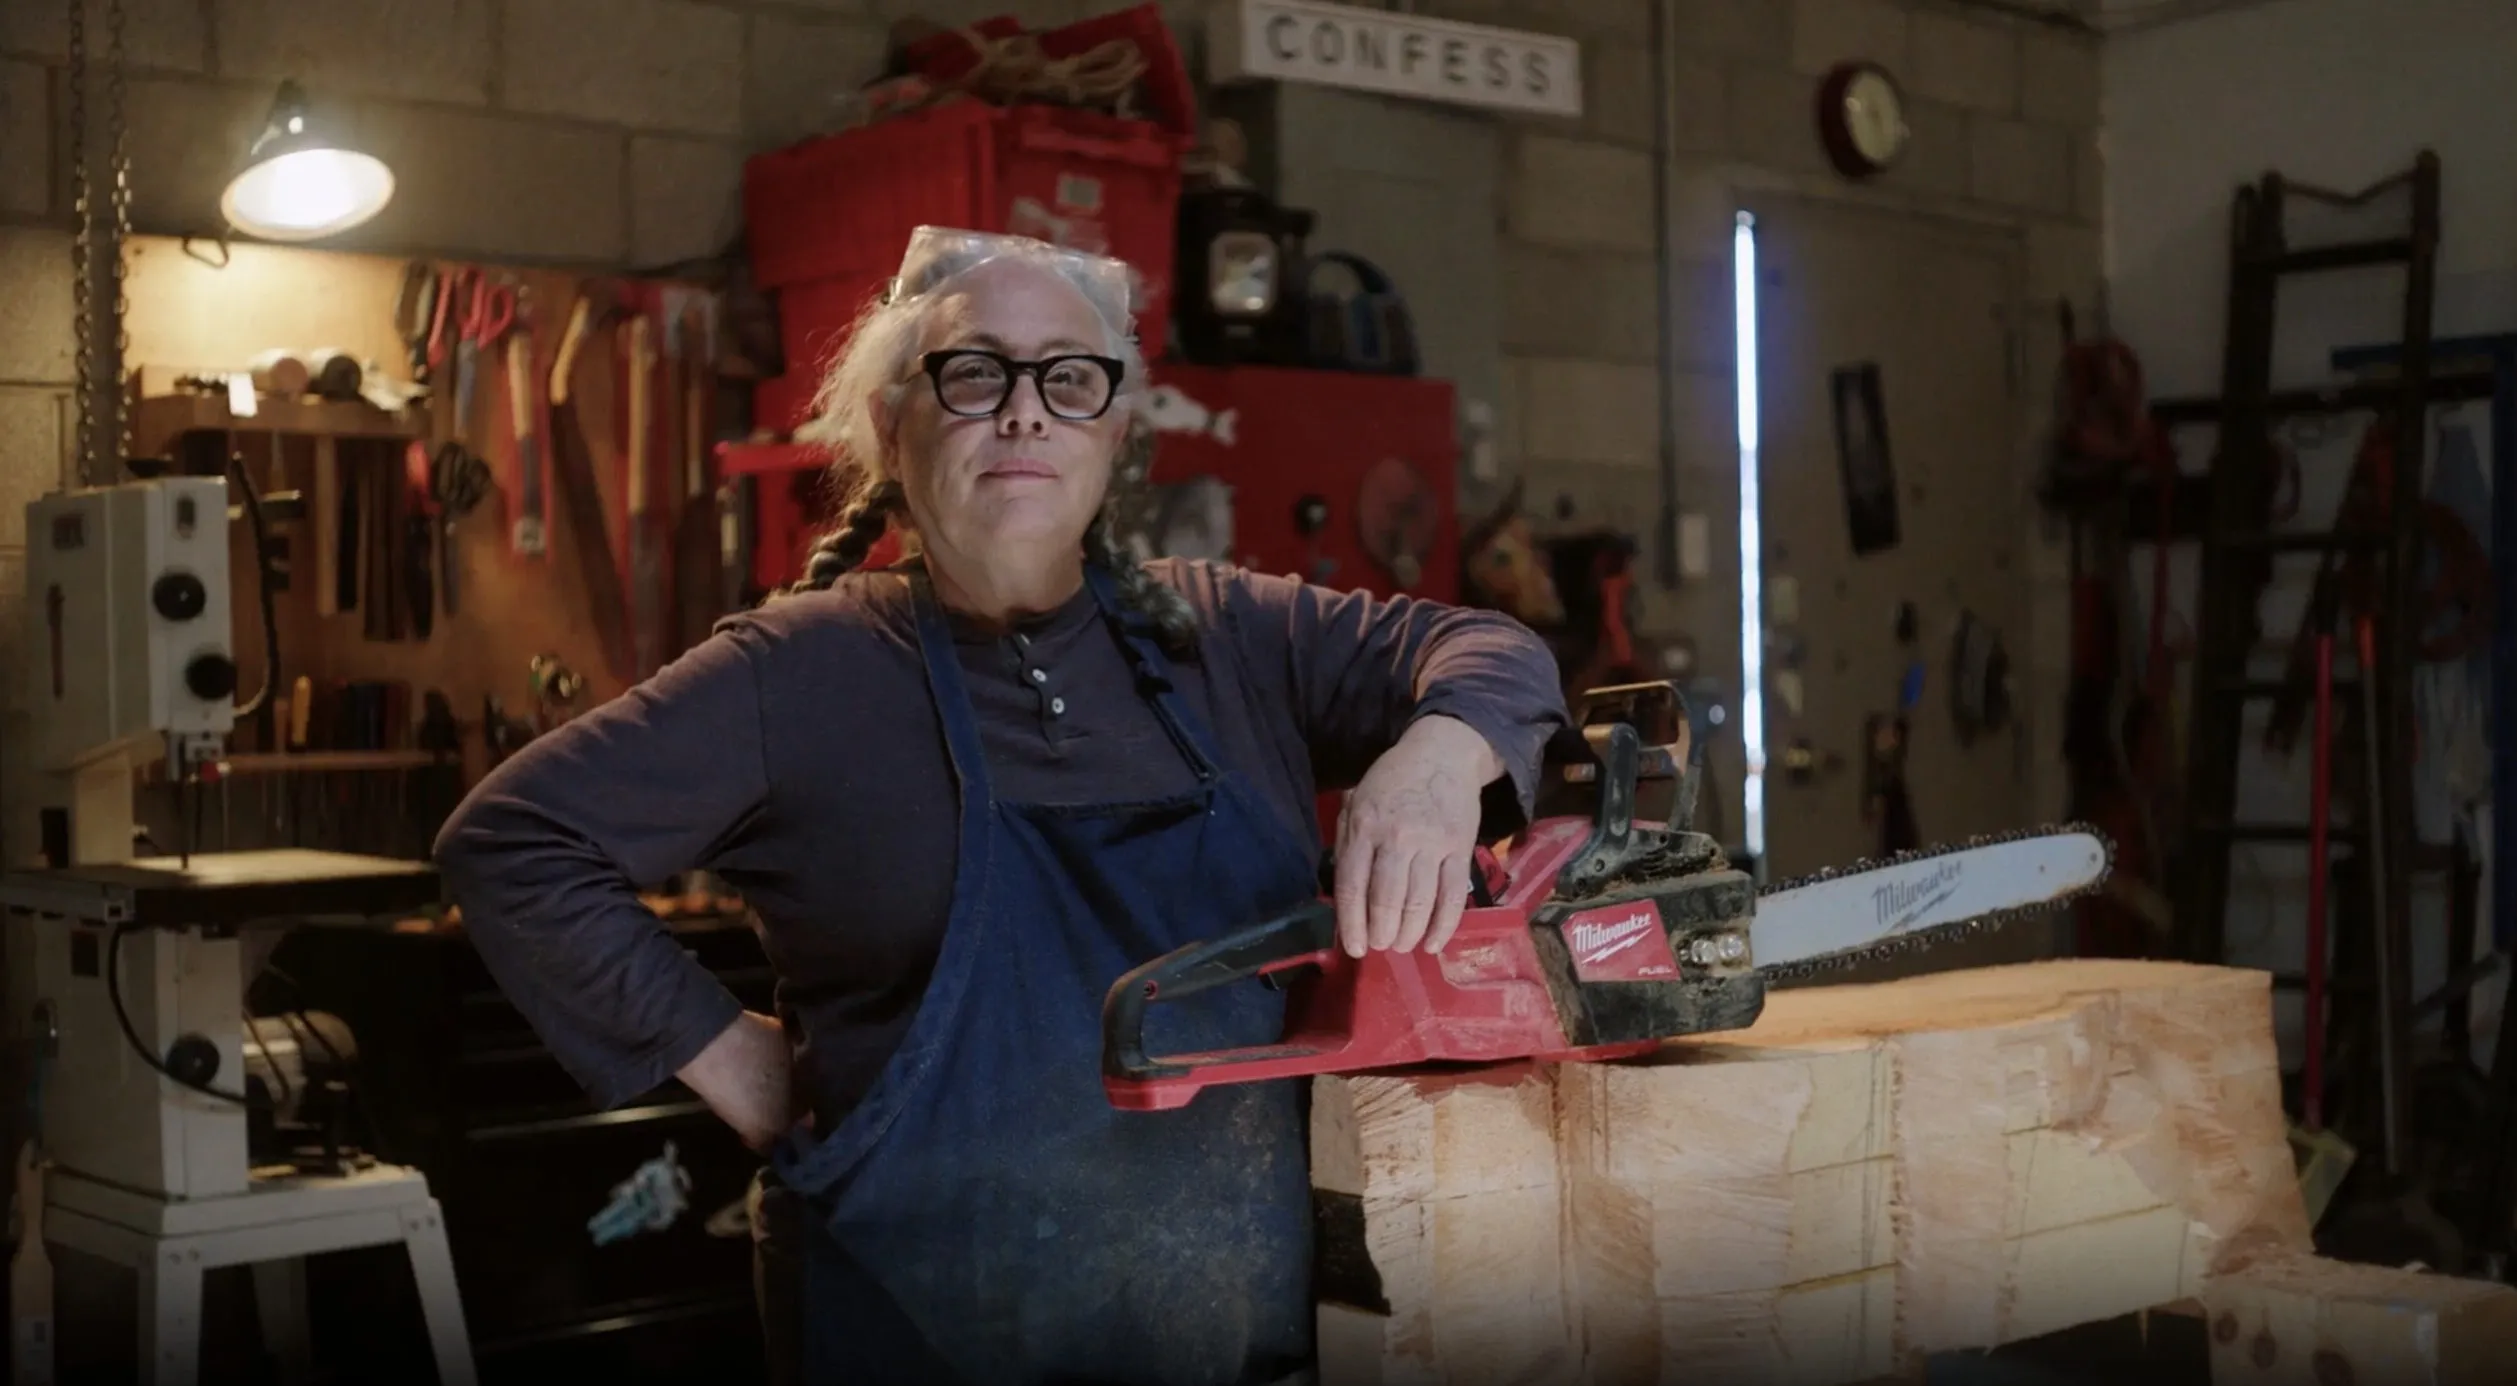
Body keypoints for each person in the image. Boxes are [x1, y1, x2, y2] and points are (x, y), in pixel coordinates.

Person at [432, 226, 1570, 1386]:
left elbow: (1494, 650)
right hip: (913, 1338)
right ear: (889, 425)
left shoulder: (1236, 635)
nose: (1025, 413)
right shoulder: (798, 673)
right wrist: (739, 1065)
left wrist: (1438, 756)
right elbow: (514, 843)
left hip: (1241, 1341)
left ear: (1114, 429)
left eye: (1069, 380)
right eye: (974, 374)